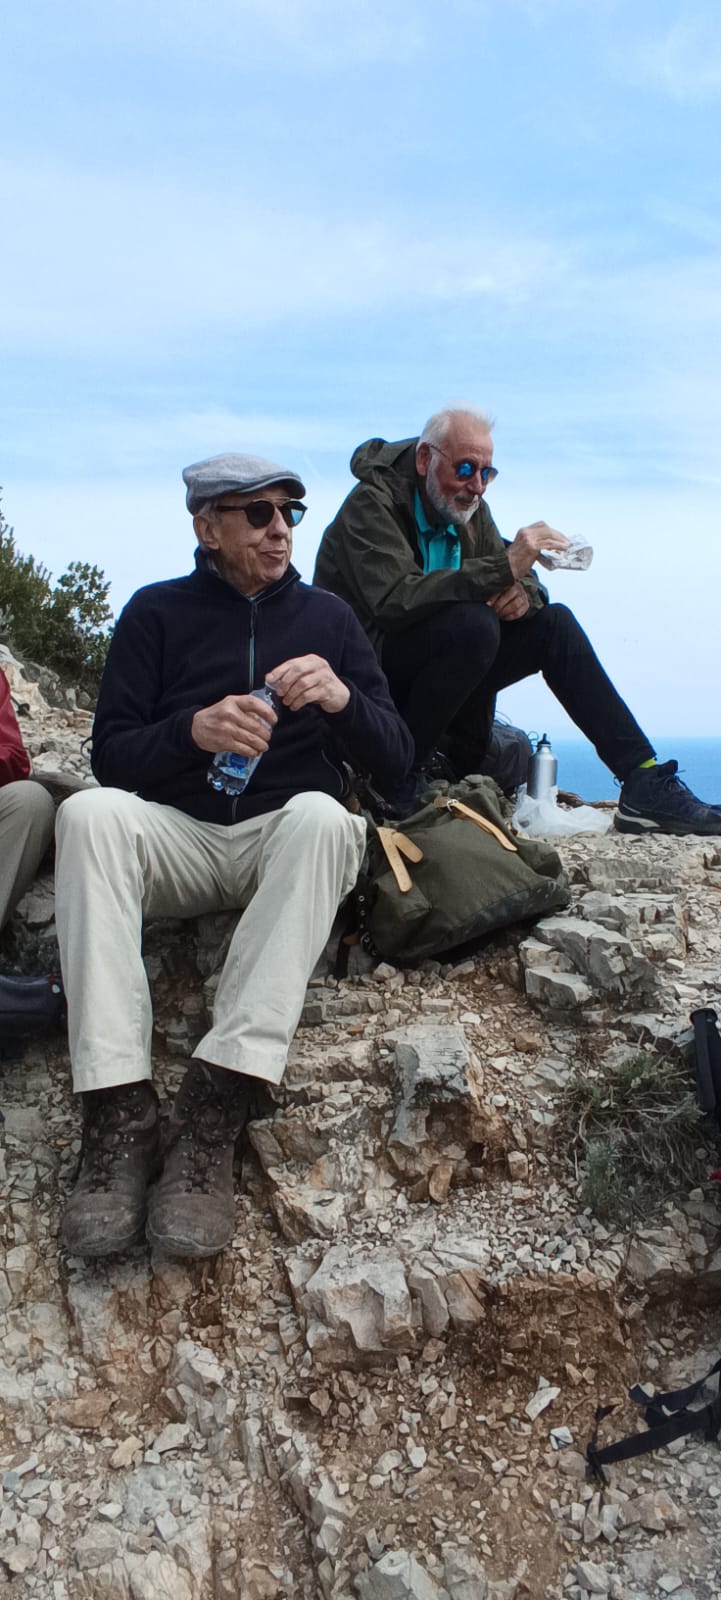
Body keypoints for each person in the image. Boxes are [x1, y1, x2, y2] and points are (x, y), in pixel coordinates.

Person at [54, 452, 413, 1261]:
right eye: (258, 514)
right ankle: (117, 1111)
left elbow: (396, 758)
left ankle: (214, 1108)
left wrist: (342, 699)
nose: (280, 530)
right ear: (207, 527)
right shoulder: (155, 612)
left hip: (276, 841)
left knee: (325, 819)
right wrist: (192, 730)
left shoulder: (328, 620)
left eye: (289, 512)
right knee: (88, 815)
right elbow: (113, 755)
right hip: (178, 836)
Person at [314, 405, 721, 835]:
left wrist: (524, 595)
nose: (476, 486)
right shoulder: (370, 506)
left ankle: (642, 779)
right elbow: (395, 599)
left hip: (440, 686)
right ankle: (395, 776)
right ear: (424, 459)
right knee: (474, 625)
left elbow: (513, 571)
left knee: (554, 625)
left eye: (486, 473)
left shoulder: (469, 512)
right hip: (369, 686)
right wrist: (503, 569)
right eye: (465, 468)